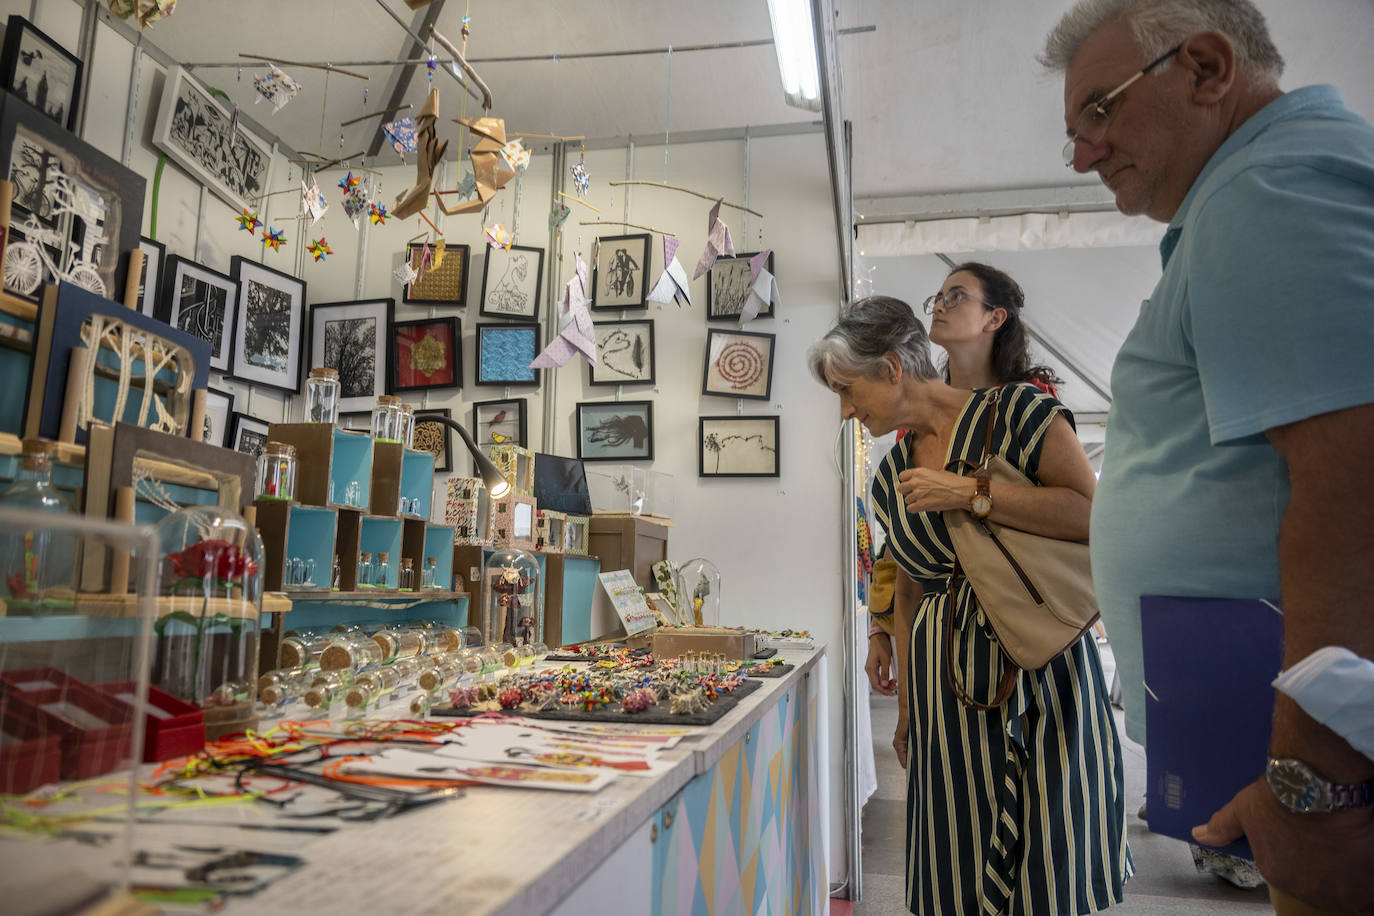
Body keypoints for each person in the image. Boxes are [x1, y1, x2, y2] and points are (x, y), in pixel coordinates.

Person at [1043, 1, 1374, 912]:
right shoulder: (1258, 193)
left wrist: (1317, 788)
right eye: (1070, 134)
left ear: (1206, 68)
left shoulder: (1266, 192)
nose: (1081, 155)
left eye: (1099, 113)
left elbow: (1354, 485)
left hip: (1326, 763)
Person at [811, 295, 1131, 915]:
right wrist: (906, 708)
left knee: (1046, 851)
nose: (848, 412)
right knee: (956, 850)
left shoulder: (1017, 413)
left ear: (892, 369)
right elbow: (907, 585)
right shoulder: (892, 472)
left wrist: (969, 492)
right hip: (943, 685)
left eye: (850, 391)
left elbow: (1093, 515)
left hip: (1036, 663)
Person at [865, 263, 1070, 696]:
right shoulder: (913, 429)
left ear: (995, 318)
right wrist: (879, 627)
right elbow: (904, 544)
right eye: (937, 298)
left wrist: (968, 493)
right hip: (942, 650)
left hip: (1031, 632)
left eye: (956, 296)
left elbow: (1075, 513)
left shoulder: (1026, 404)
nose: (939, 305)